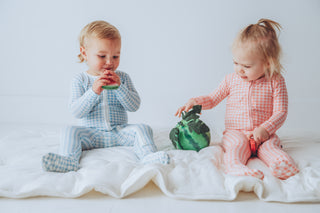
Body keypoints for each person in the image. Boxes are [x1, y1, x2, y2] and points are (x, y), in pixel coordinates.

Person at [175, 19, 299, 180]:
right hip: (236, 132)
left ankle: (282, 165)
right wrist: (195, 101)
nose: (239, 69)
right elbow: (213, 99)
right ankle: (235, 167)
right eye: (235, 62)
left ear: (268, 63)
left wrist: (265, 129)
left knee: (271, 148)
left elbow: (280, 112)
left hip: (264, 135)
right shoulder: (230, 80)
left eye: (247, 66)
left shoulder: (276, 81)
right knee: (237, 147)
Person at [42, 20, 170, 172]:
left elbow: (134, 106)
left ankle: (149, 156)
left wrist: (119, 87)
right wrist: (93, 91)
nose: (110, 62)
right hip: (91, 134)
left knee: (143, 128)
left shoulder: (123, 77)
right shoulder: (80, 80)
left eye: (115, 56)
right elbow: (76, 111)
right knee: (69, 131)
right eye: (102, 56)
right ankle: (69, 160)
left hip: (119, 132)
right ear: (85, 53)